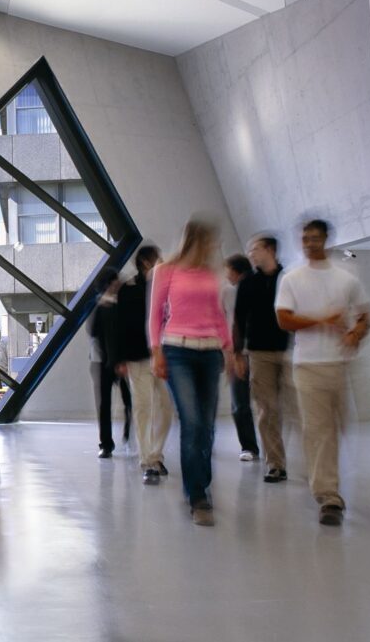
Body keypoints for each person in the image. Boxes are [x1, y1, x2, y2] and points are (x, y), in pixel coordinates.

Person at [275, 220, 370, 526]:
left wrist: (355, 333)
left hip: (339, 364)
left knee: (339, 427)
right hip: (307, 366)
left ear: (326, 239)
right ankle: (329, 497)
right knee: (319, 431)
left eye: (315, 238)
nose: (309, 243)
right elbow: (284, 319)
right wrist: (321, 321)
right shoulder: (292, 278)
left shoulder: (346, 277)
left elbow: (365, 316)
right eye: (305, 238)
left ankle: (327, 481)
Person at [149, 217, 232, 526]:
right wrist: (157, 352)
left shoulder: (212, 274)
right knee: (192, 421)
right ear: (195, 240)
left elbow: (219, 314)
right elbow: (155, 315)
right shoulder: (166, 270)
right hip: (177, 350)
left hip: (210, 352)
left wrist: (230, 350)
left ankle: (202, 484)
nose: (213, 246)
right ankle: (196, 495)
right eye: (209, 240)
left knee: (207, 425)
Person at [235, 235, 294, 483]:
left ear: (270, 250)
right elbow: (238, 319)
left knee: (294, 408)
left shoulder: (288, 278)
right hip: (259, 353)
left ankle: (308, 462)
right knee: (267, 409)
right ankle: (276, 464)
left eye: (255, 249)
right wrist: (238, 353)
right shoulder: (248, 282)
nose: (251, 254)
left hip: (290, 351)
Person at [117, 244, 172, 484]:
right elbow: (121, 326)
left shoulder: (165, 286)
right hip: (137, 357)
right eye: (159, 259)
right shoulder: (129, 289)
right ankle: (147, 460)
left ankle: (155, 454)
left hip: (161, 357)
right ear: (147, 263)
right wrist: (121, 358)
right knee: (143, 408)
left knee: (166, 409)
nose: (163, 263)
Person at [90, 267, 132, 459]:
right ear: (110, 283)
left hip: (116, 360)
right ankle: (107, 443)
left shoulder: (117, 304)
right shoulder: (101, 306)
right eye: (115, 281)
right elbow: (96, 334)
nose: (118, 284)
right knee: (107, 404)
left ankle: (123, 436)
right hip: (106, 362)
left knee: (126, 401)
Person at [223, 254, 262, 463]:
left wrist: (234, 353)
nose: (226, 275)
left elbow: (234, 323)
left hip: (246, 352)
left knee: (241, 403)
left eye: (228, 270)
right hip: (243, 351)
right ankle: (250, 446)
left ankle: (250, 447)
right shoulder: (233, 291)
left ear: (235, 270)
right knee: (242, 403)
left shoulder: (234, 292)